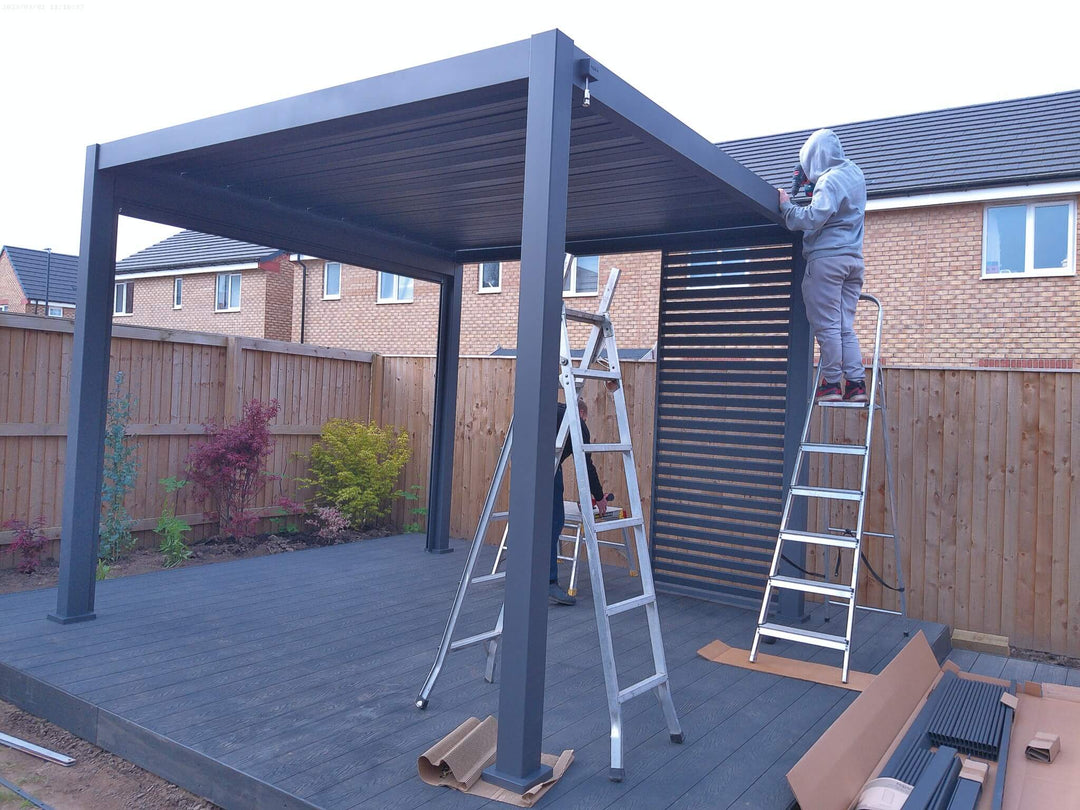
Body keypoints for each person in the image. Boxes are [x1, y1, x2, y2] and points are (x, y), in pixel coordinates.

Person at [778, 128, 869, 403]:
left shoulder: (829, 181)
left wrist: (787, 207)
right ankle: (856, 384)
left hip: (827, 261)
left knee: (827, 326)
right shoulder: (855, 175)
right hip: (853, 261)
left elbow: (813, 217)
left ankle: (831, 384)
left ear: (815, 156)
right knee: (844, 326)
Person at [549, 395, 607, 606]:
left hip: (523, 457)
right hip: (547, 464)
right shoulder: (577, 423)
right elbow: (586, 466)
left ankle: (526, 576)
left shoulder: (554, 408)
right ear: (582, 413)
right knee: (554, 522)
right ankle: (549, 582)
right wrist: (598, 497)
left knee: (532, 522)